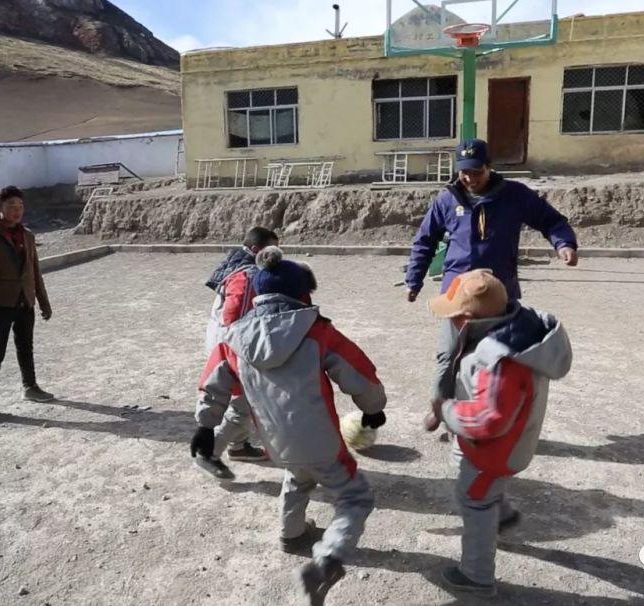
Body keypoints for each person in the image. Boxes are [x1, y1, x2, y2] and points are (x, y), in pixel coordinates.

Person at [192, 247, 387, 605]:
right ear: (303, 295)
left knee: (297, 474)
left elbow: (212, 384)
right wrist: (374, 411)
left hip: (275, 440)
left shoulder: (233, 338)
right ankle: (326, 562)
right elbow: (359, 375)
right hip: (322, 441)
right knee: (354, 498)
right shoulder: (318, 331)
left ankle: (291, 533)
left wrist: (205, 426)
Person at [422, 269, 572, 596]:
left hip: (494, 451)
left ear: (471, 319)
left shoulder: (500, 361)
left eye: (455, 317)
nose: (451, 323)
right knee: (486, 491)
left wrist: (447, 411)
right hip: (507, 443)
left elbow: (489, 418)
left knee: (473, 498)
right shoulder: (516, 329)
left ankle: (476, 576)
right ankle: (500, 515)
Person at [406, 138, 578, 407]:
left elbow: (551, 220)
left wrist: (564, 243)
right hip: (457, 293)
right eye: (464, 172)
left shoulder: (515, 196)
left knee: (501, 355)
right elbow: (425, 240)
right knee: (449, 353)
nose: (470, 178)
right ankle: (440, 406)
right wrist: (413, 279)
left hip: (499, 291)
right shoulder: (447, 200)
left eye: (476, 171)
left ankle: (495, 413)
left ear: (489, 167)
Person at [194, 227, 281, 478]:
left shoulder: (237, 265)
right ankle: (207, 453)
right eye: (270, 249)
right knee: (245, 405)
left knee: (246, 402)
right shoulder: (246, 276)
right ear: (255, 250)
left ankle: (239, 445)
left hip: (225, 345)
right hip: (234, 350)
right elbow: (235, 322)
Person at [0, 185, 55, 424]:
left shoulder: (27, 235)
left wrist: (43, 301)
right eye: (11, 207)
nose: (17, 211)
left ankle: (31, 387)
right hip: (0, 303)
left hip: (24, 301)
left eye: (20, 207)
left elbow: (34, 271)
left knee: (26, 347)